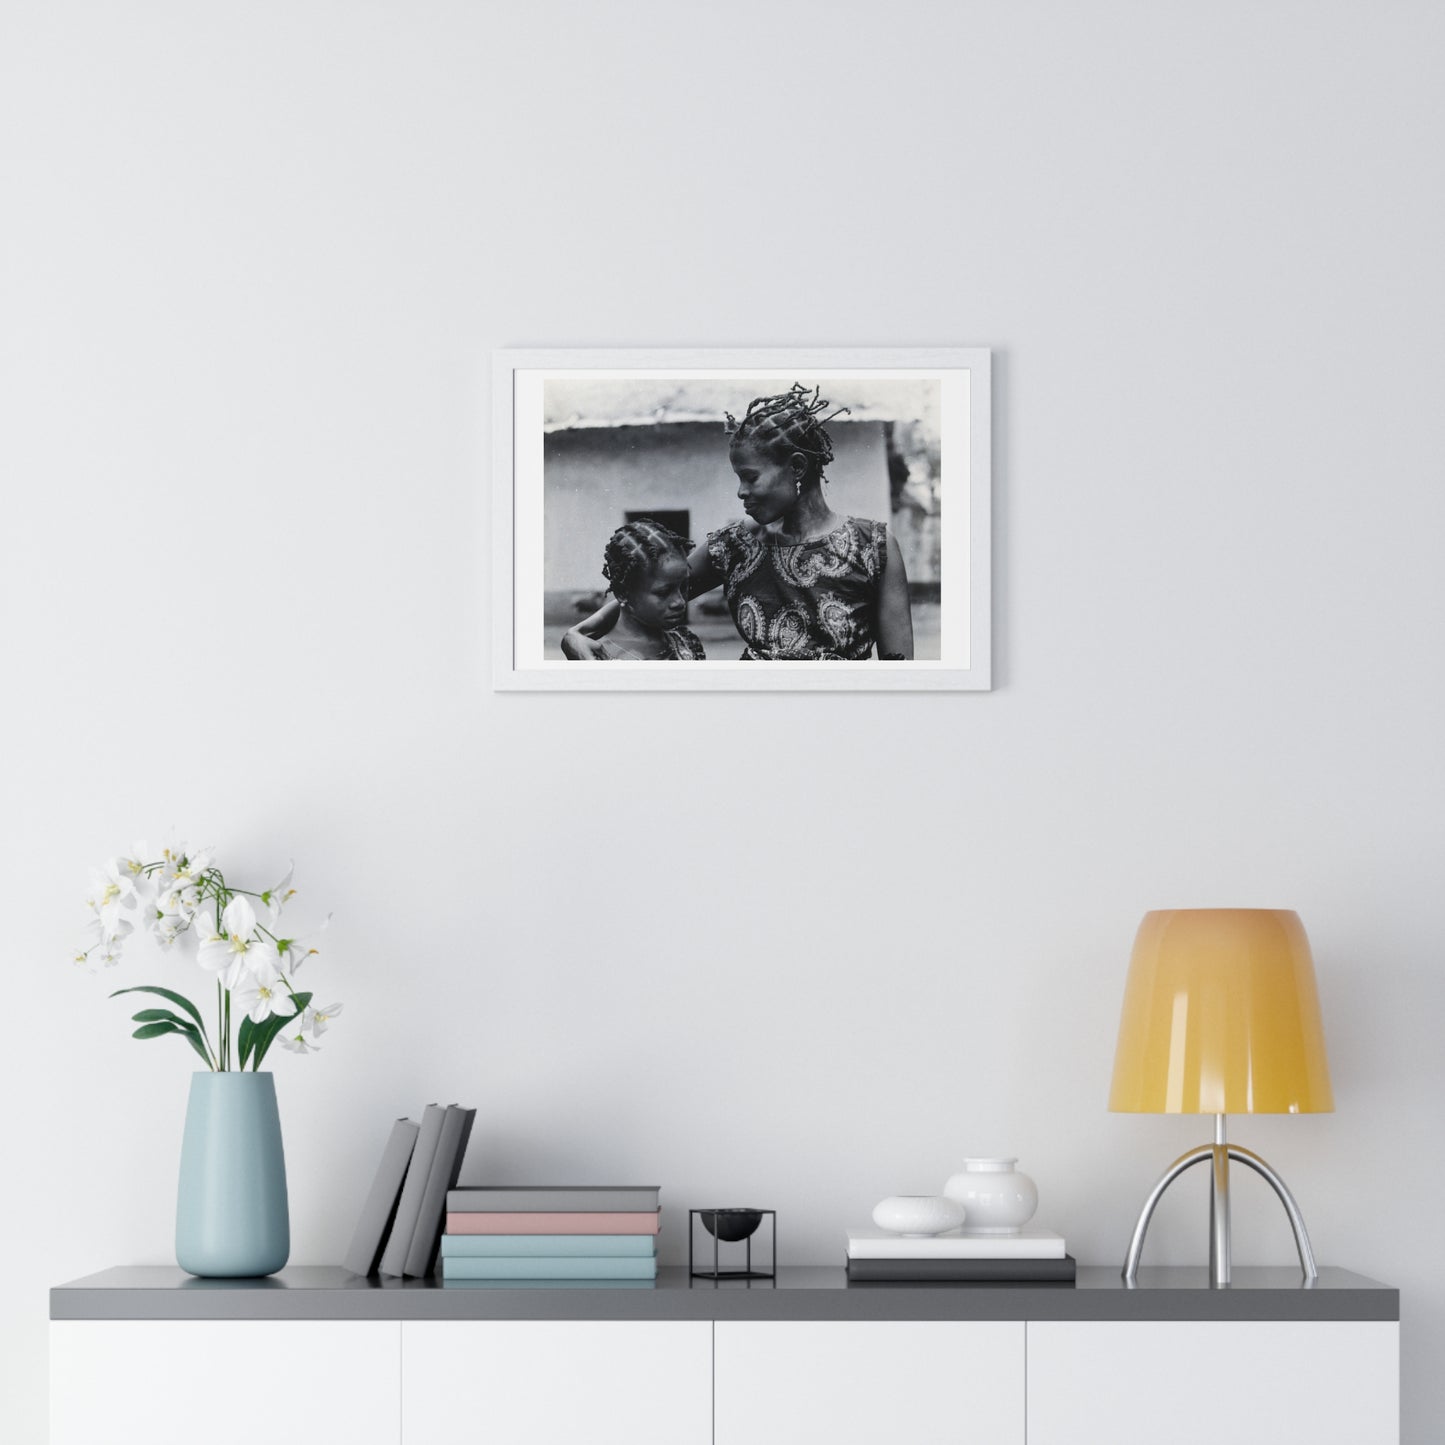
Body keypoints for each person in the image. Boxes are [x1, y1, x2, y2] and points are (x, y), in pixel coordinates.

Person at [563, 383, 913, 661]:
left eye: (750, 477)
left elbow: (899, 674)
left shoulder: (873, 549)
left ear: (796, 468)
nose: (741, 492)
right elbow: (647, 589)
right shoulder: (734, 546)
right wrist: (576, 635)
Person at [565, 519, 706, 661]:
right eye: (663, 592)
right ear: (622, 594)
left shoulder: (687, 641)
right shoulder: (595, 656)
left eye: (683, 586)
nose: (680, 601)